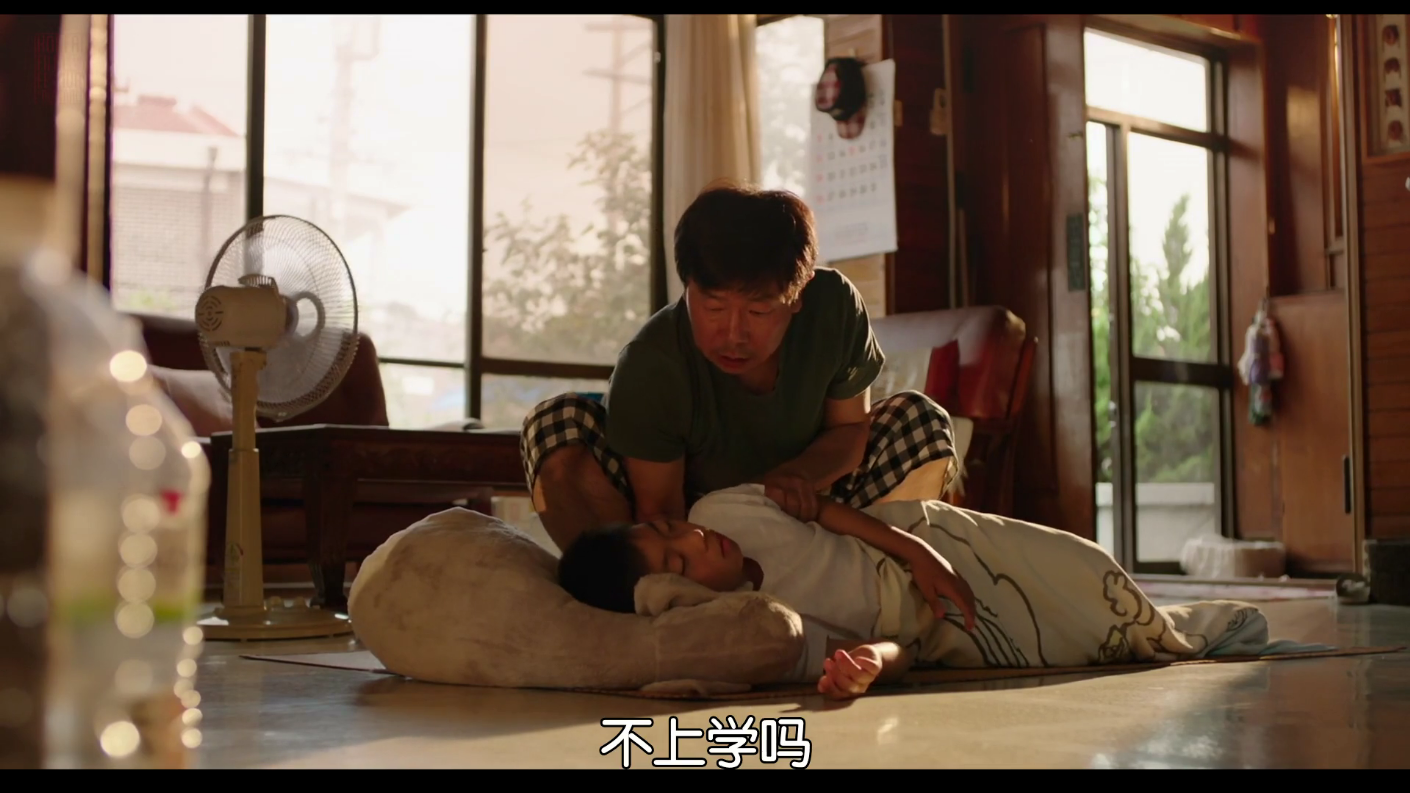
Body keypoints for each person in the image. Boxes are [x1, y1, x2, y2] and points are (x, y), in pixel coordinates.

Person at [556, 485, 1323, 701]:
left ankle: (1160, 618)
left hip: (925, 544)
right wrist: (869, 666)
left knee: (1077, 566)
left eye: (673, 529)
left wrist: (920, 551)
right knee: (1093, 639)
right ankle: (1191, 630)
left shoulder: (724, 508)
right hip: (938, 631)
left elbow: (829, 513)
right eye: (681, 562)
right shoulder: (764, 632)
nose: (696, 542)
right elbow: (899, 653)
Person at [520, 182, 959, 554]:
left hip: (813, 502)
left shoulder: (834, 306)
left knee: (920, 422)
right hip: (698, 527)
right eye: (713, 307)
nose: (733, 334)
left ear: (799, 294)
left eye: (759, 311)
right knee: (555, 423)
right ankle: (626, 601)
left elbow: (849, 431)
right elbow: (660, 512)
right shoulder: (653, 363)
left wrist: (798, 476)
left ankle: (881, 581)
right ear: (687, 286)